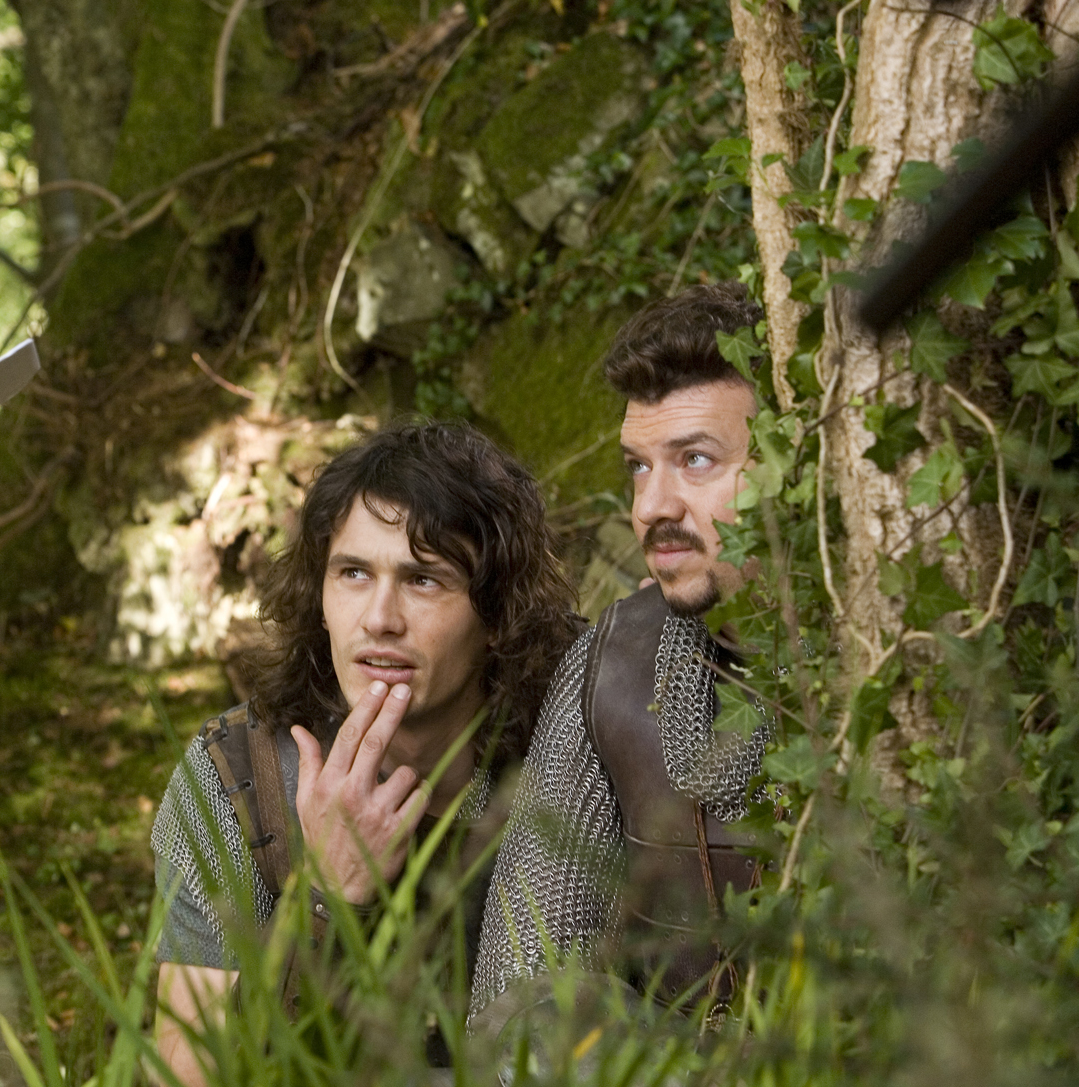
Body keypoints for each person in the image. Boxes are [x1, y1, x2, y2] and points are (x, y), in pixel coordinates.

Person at [149, 421, 580, 1085]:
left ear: (496, 615)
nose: (379, 617)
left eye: (423, 579)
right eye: (353, 572)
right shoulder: (237, 779)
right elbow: (190, 1073)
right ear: (320, 597)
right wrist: (328, 895)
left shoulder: (569, 758)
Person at [467, 281, 773, 1026]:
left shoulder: (893, 658)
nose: (651, 506)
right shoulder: (615, 667)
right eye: (638, 465)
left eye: (695, 460)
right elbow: (522, 996)